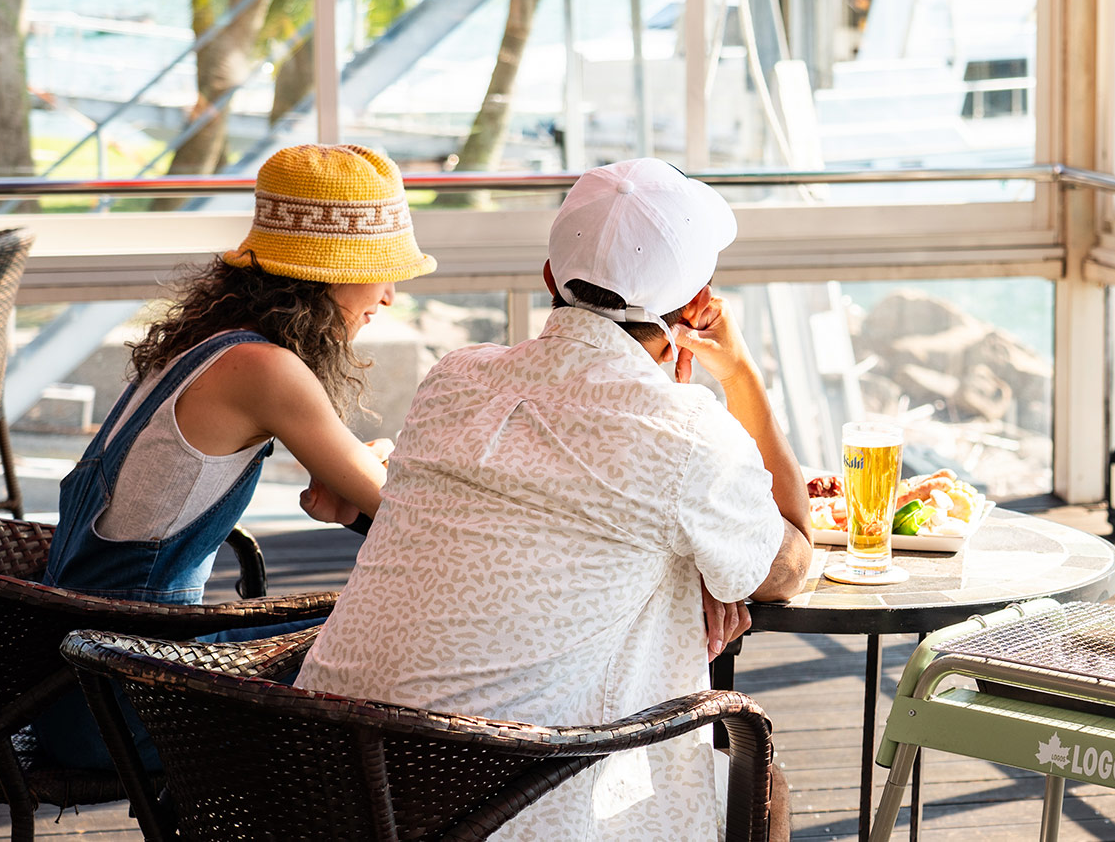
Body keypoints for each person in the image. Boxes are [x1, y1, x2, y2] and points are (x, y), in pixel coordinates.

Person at [296, 157, 813, 842]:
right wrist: (740, 370)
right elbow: (792, 560)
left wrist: (680, 565)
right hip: (492, 803)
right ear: (694, 307)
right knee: (758, 785)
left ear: (549, 277)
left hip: (313, 783)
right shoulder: (685, 437)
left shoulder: (454, 379)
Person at [36, 143, 436, 766]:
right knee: (398, 646)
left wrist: (354, 481)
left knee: (362, 643)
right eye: (382, 269)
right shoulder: (264, 368)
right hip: (131, 696)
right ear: (329, 269)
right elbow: (406, 516)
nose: (388, 295)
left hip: (78, 676)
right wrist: (378, 474)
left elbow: (350, 492)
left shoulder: (209, 343)